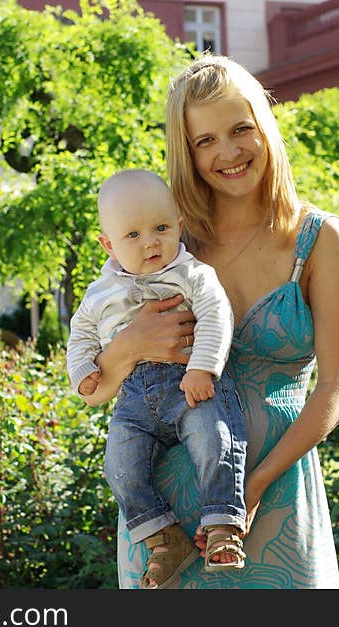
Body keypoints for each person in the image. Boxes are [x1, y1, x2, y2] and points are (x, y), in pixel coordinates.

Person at [90, 54, 339, 588]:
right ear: (186, 152)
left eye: (241, 130)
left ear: (265, 128)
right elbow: (96, 388)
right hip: (165, 517)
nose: (228, 153)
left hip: (275, 501)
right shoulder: (158, 241)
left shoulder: (318, 239)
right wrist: (130, 346)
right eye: (205, 141)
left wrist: (251, 487)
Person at [67, 168, 248, 589]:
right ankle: (162, 539)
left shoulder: (192, 273)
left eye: (161, 228)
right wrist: (83, 373)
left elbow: (217, 315)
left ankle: (223, 523)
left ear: (179, 227)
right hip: (133, 400)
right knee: (120, 467)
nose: (150, 241)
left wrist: (203, 366)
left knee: (214, 437)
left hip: (190, 381)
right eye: (132, 235)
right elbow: (81, 335)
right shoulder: (99, 293)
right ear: (108, 244)